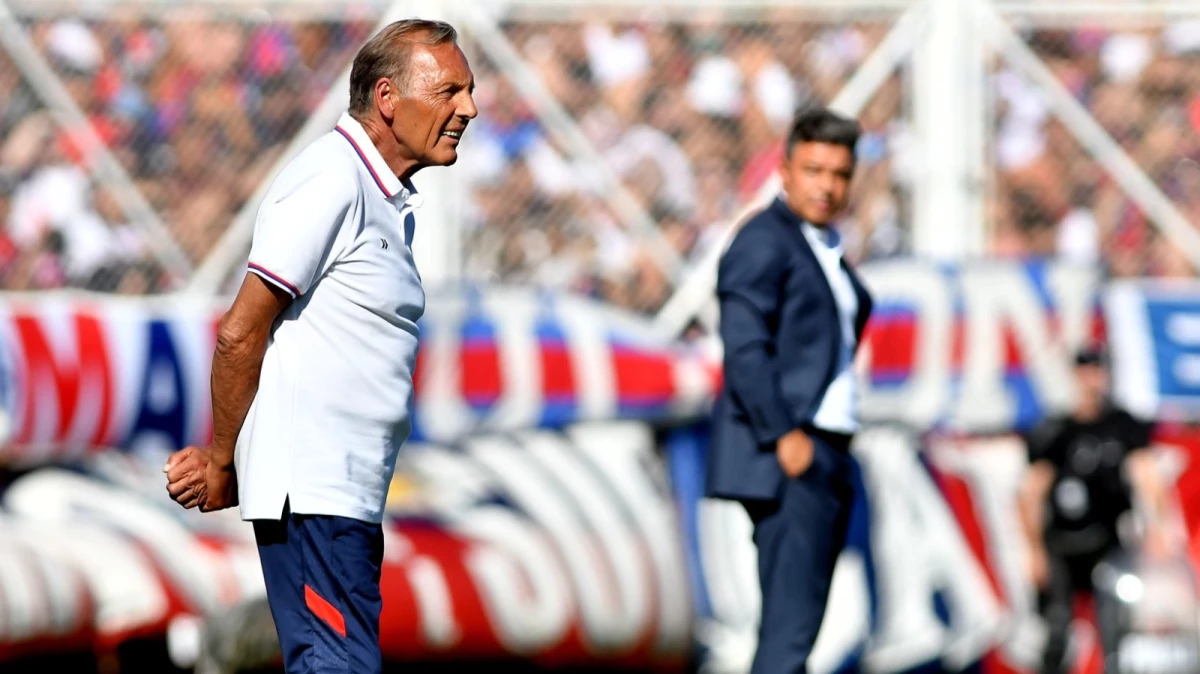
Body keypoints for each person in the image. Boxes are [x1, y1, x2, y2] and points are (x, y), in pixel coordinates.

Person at [163, 19, 476, 673]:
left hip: (343, 495)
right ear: (387, 97)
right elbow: (242, 330)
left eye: (467, 92)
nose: (467, 109)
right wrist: (223, 461)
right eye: (449, 90)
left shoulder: (379, 196)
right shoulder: (330, 179)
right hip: (315, 494)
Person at [706, 106, 874, 674]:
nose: (827, 186)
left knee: (798, 628)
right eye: (814, 170)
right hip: (794, 450)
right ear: (784, 170)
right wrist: (784, 433)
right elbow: (743, 345)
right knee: (789, 635)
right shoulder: (765, 240)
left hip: (826, 446)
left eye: (839, 173)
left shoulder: (822, 246)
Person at [1018, 345, 1173, 674]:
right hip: (1061, 544)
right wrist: (1033, 551)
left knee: (1115, 628)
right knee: (1057, 629)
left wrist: (1158, 530)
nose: (1092, 380)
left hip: (1106, 543)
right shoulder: (1055, 429)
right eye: (1085, 372)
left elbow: (1147, 476)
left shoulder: (1122, 425)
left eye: (1098, 371)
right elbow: (1031, 492)